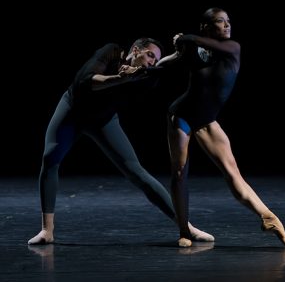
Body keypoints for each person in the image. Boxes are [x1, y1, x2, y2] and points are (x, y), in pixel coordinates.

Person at [28, 37, 214, 245]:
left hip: (103, 121)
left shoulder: (147, 77)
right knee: (50, 160)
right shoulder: (111, 52)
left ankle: (186, 226)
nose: (152, 62)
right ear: (135, 50)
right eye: (150, 55)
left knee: (136, 172)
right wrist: (120, 77)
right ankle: (47, 230)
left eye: (155, 59)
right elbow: (85, 82)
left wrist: (177, 56)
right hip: (72, 112)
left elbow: (158, 70)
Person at [156, 8, 285, 248]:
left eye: (228, 21)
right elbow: (169, 61)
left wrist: (184, 38)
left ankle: (268, 217)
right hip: (182, 116)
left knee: (233, 173)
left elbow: (191, 39)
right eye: (220, 22)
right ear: (206, 27)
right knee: (179, 172)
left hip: (207, 121)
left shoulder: (232, 49)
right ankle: (184, 230)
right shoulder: (195, 50)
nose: (227, 25)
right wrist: (155, 64)